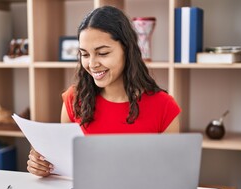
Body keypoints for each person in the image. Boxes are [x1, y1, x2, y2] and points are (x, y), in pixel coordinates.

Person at [27, 5, 181, 177]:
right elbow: (65, 170)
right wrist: (45, 166)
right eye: (85, 55)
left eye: (102, 53)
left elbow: (172, 176)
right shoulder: (74, 99)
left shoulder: (164, 106)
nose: (92, 64)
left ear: (127, 50)